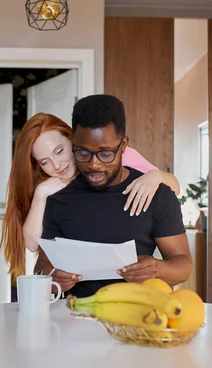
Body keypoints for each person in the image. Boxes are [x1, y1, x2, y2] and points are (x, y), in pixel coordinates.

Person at [33, 94, 192, 297]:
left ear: (123, 145)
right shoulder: (58, 197)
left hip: (137, 317)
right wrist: (51, 276)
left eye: (106, 154)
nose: (94, 164)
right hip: (72, 316)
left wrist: (156, 269)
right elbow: (42, 264)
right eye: (83, 153)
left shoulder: (156, 194)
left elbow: (183, 266)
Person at [0, 112, 181, 283]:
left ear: (73, 141)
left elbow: (175, 187)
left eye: (59, 151)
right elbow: (32, 245)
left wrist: (156, 176)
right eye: (45, 162)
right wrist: (40, 195)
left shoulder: (112, 157)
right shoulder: (50, 184)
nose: (57, 165)